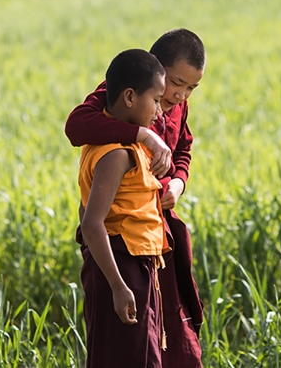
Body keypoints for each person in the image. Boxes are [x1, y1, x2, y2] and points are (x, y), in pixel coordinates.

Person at [66, 29, 205, 368]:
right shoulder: (128, 94)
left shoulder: (174, 105)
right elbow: (76, 125)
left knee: (165, 333)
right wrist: (142, 135)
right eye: (175, 84)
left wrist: (177, 183)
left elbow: (183, 147)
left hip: (154, 234)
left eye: (191, 89)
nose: (179, 97)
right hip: (122, 240)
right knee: (127, 343)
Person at [78, 48, 170, 367]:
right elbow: (91, 223)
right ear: (129, 97)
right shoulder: (116, 153)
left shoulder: (111, 141)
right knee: (126, 357)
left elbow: (83, 209)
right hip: (122, 266)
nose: (160, 112)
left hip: (128, 263)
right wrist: (117, 285)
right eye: (156, 100)